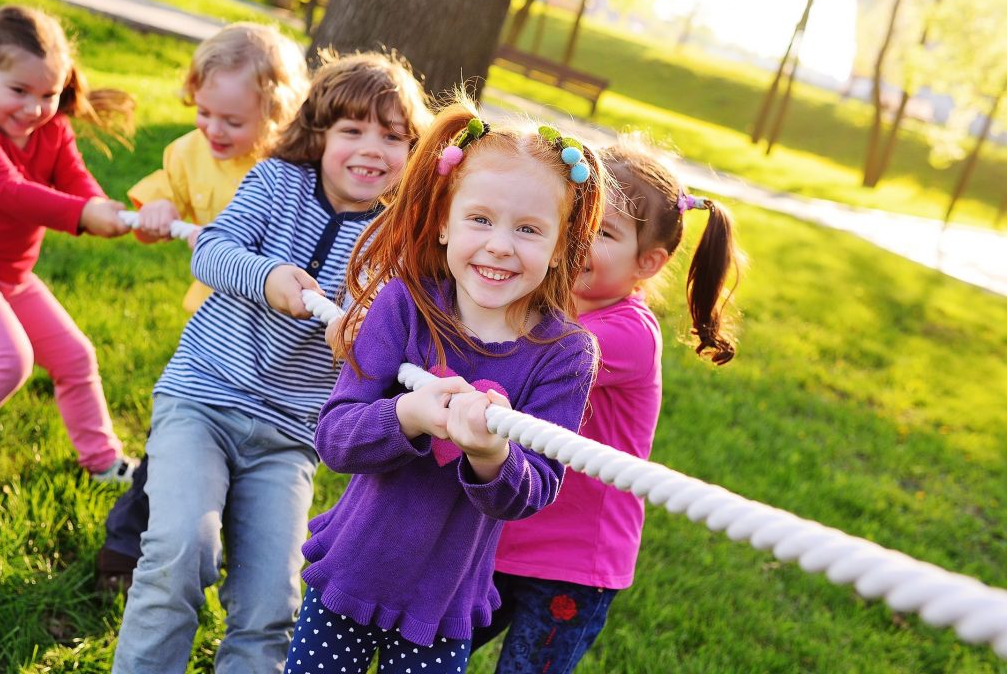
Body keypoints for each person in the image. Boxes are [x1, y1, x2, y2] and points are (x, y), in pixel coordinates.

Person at [111, 51, 433, 674]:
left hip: (288, 437)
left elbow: (396, 336)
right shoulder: (276, 181)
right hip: (203, 400)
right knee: (179, 553)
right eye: (353, 130)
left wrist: (368, 338)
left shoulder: (400, 239)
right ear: (319, 134)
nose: (372, 149)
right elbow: (211, 251)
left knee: (272, 605)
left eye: (392, 137)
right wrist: (268, 278)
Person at [284, 98, 607, 674]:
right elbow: (335, 439)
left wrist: (490, 452)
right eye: (480, 219)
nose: (500, 245)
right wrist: (408, 416)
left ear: (561, 247)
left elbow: (529, 494)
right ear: (442, 223)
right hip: (351, 573)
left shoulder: (564, 354)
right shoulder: (403, 305)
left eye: (529, 229)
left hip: (443, 604)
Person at [473, 139, 744, 673]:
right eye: (575, 218)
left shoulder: (625, 336)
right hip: (506, 532)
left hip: (572, 562)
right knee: (432, 652)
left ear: (648, 262)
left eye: (603, 232)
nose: (577, 240)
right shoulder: (549, 306)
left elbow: (514, 359)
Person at [95, 22, 308, 592]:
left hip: (279, 344)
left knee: (247, 458)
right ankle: (124, 543)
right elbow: (155, 206)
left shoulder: (291, 170)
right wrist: (159, 210)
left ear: (276, 114)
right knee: (179, 444)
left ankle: (236, 553)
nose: (213, 129)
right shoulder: (187, 153)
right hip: (212, 336)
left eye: (232, 121)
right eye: (204, 113)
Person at [0, 5, 139, 508]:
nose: (35, 109)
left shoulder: (52, 129)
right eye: (19, 91)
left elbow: (75, 178)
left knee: (76, 356)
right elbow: (9, 191)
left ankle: (101, 461)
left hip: (8, 276)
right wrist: (82, 214)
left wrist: (100, 207)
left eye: (48, 94)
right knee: (8, 358)